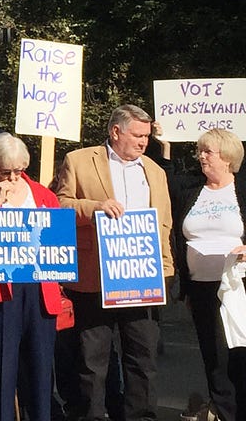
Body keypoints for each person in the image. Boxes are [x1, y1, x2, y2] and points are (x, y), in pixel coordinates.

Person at [53, 104, 174, 421]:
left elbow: (164, 225)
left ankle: (142, 416)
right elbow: (59, 206)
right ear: (115, 131)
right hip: (95, 276)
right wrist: (94, 207)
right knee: (93, 359)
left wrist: (166, 268)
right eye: (137, 135)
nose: (143, 142)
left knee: (143, 357)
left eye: (146, 136)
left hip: (142, 276)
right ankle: (92, 414)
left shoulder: (155, 171)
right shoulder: (80, 160)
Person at [0, 133, 63, 421]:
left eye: (18, 171)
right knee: (1, 368)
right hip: (1, 288)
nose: (11, 177)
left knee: (40, 368)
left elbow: (56, 239)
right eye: (4, 172)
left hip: (38, 286)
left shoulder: (44, 195)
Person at [170, 128, 246, 421]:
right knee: (214, 356)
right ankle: (224, 411)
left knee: (238, 353)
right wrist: (165, 148)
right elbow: (167, 185)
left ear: (227, 157)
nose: (201, 156)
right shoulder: (192, 189)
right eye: (200, 151)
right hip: (201, 287)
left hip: (238, 286)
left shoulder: (241, 188)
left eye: (208, 151)